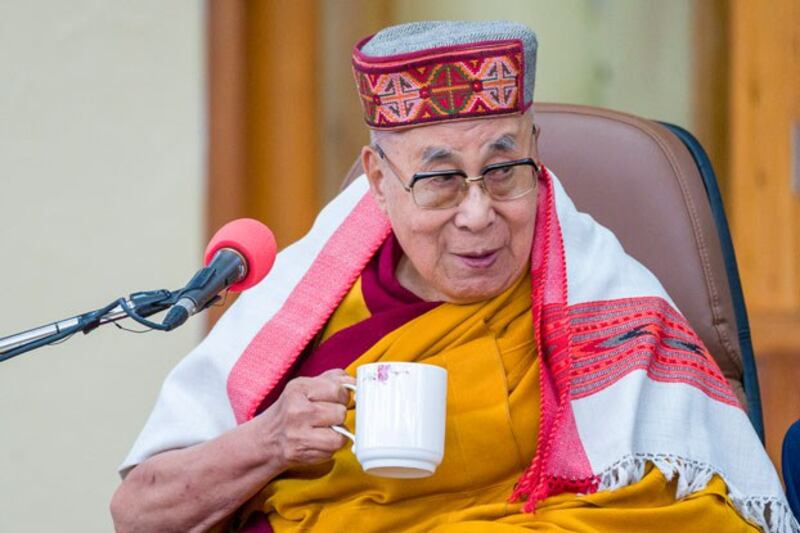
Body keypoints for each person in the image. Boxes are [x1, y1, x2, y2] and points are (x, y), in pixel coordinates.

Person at [111, 21, 797, 533]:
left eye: (504, 172)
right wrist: (267, 440)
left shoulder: (602, 297)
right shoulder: (304, 304)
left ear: (537, 153)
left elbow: (706, 508)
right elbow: (138, 511)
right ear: (379, 181)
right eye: (439, 179)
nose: (478, 215)